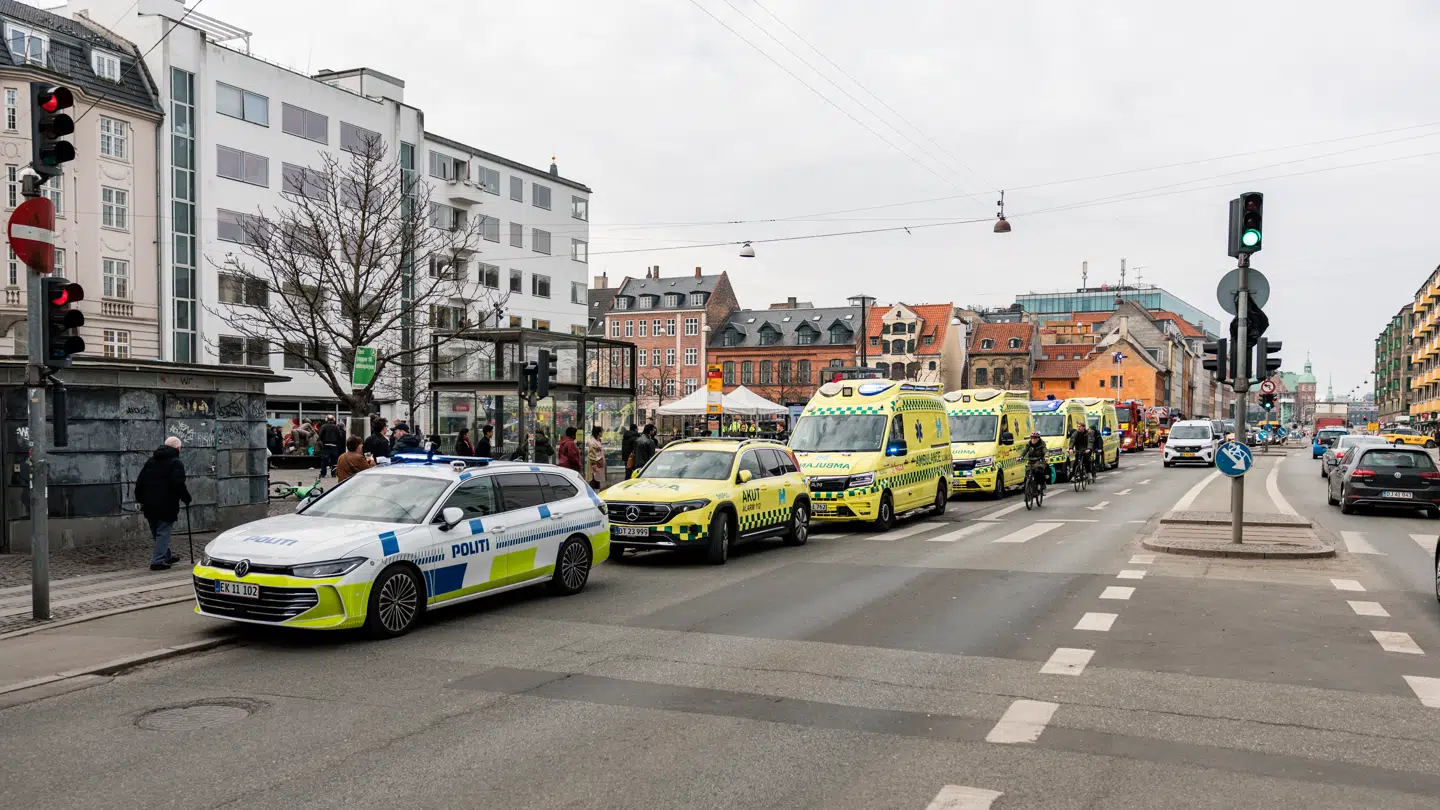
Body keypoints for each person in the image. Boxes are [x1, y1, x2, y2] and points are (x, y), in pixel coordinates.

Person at [135, 436, 192, 571]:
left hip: (149, 504)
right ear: (178, 448)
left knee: (157, 532)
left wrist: (140, 500)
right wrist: (186, 498)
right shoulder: (175, 463)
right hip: (166, 504)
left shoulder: (150, 461)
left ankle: (166, 556)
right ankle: (157, 561)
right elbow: (178, 484)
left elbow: (140, 482)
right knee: (163, 533)